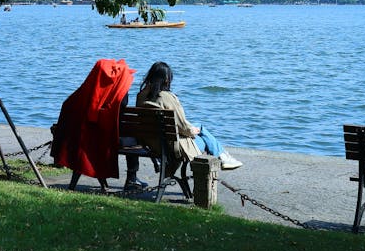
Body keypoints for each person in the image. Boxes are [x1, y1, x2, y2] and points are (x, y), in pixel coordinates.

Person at [51, 58, 146, 191]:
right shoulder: (118, 93)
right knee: (134, 140)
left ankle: (78, 184)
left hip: (83, 139)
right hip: (107, 139)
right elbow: (122, 107)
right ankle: (131, 178)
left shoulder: (84, 95)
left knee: (89, 141)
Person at [136, 61, 242, 170]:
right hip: (173, 148)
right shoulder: (167, 97)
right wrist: (192, 131)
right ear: (167, 79)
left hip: (152, 144)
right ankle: (223, 157)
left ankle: (222, 156)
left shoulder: (141, 96)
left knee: (199, 127)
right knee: (204, 136)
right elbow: (182, 126)